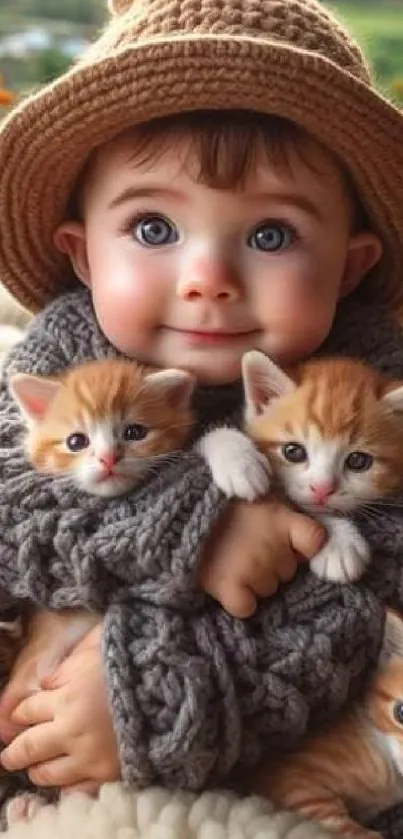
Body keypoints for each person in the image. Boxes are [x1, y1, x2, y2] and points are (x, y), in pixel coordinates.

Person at [0, 0, 402, 834]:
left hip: (283, 743)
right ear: (81, 252)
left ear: (348, 263)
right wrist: (202, 522)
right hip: (38, 731)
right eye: (153, 226)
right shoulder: (61, 357)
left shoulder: (371, 380)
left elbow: (375, 574)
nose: (206, 276)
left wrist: (149, 697)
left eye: (269, 235)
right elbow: (18, 502)